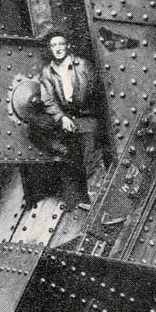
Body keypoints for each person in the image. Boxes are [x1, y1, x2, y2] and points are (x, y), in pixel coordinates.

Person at [39, 31, 104, 209]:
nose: (58, 48)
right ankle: (74, 201)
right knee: (67, 158)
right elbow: (48, 100)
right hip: (67, 118)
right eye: (54, 45)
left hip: (86, 116)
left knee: (91, 157)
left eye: (61, 44)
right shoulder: (48, 71)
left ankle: (97, 200)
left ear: (68, 46)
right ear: (50, 49)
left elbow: (97, 90)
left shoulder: (82, 65)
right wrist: (62, 117)